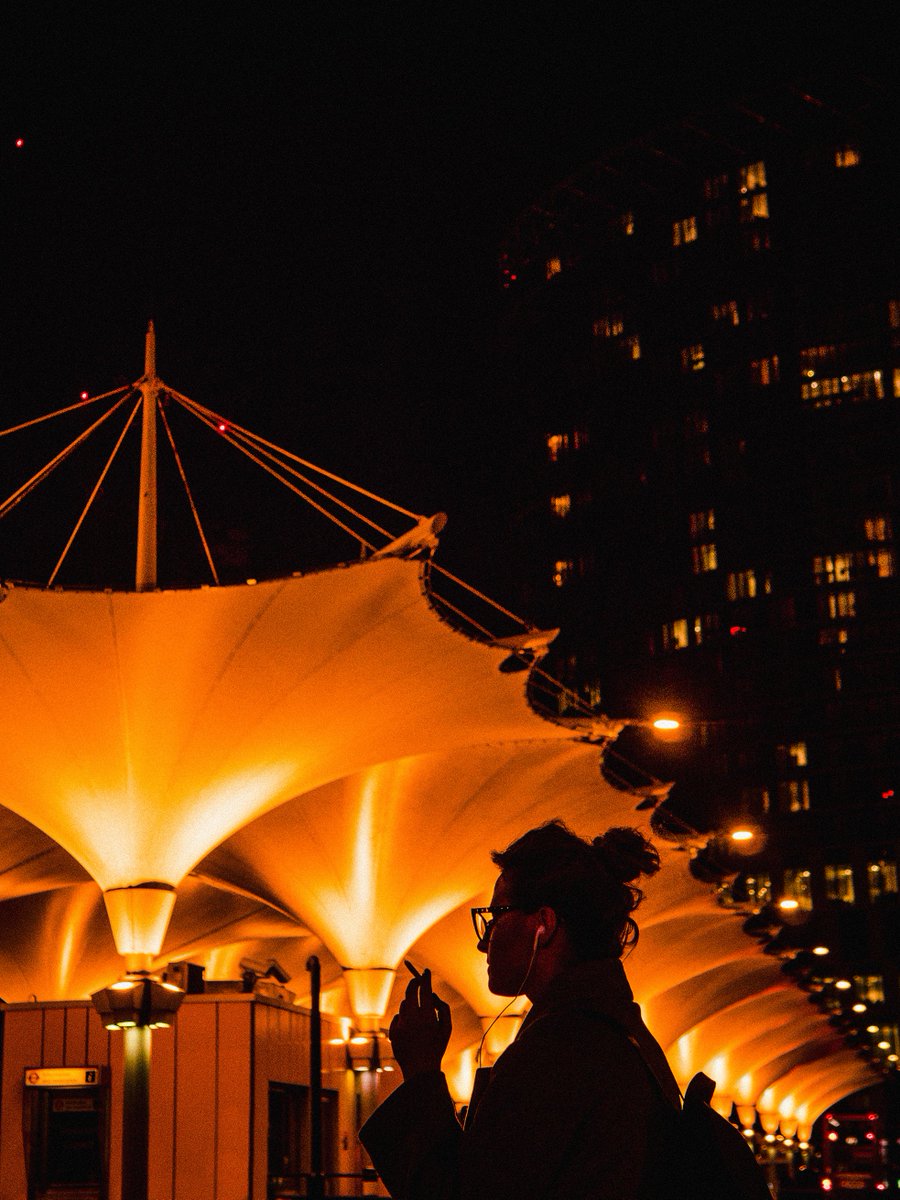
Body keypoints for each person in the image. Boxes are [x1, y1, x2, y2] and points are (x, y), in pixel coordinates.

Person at [359, 819, 682, 1199]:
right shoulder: (618, 1033)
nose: (484, 943)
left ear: (543, 924)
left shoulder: (558, 1052)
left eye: (495, 917)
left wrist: (421, 1071)